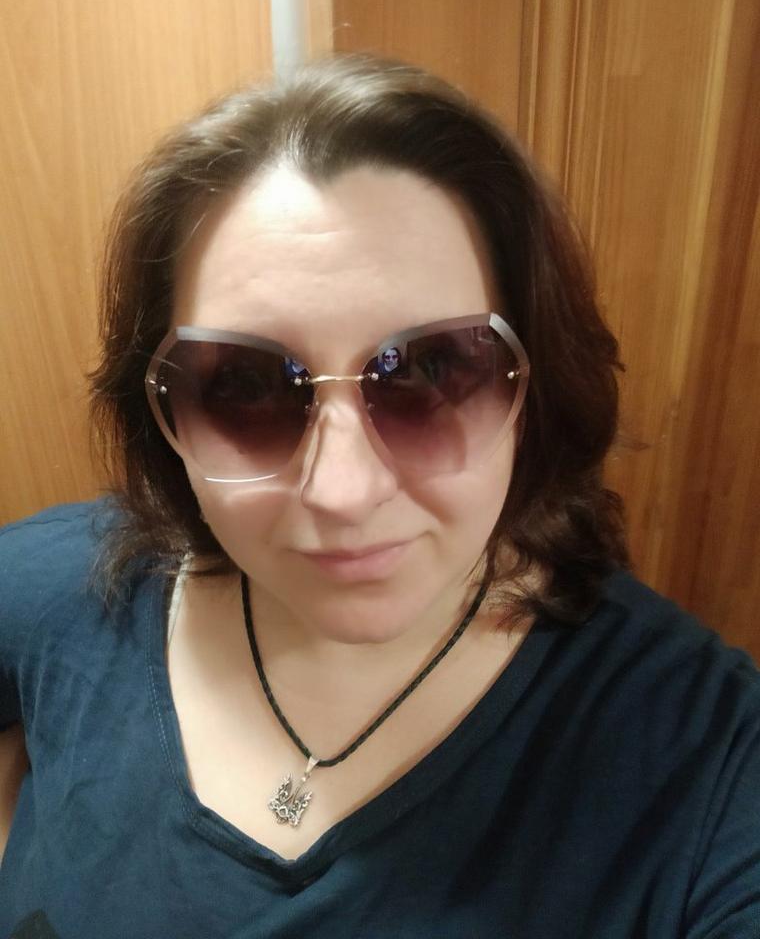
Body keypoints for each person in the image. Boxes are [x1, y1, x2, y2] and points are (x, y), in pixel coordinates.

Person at [1, 54, 758, 939]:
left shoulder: (706, 756)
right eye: (245, 386)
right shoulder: (61, 591)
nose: (344, 492)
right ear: (161, 411)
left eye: (430, 371)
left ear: (534, 388)